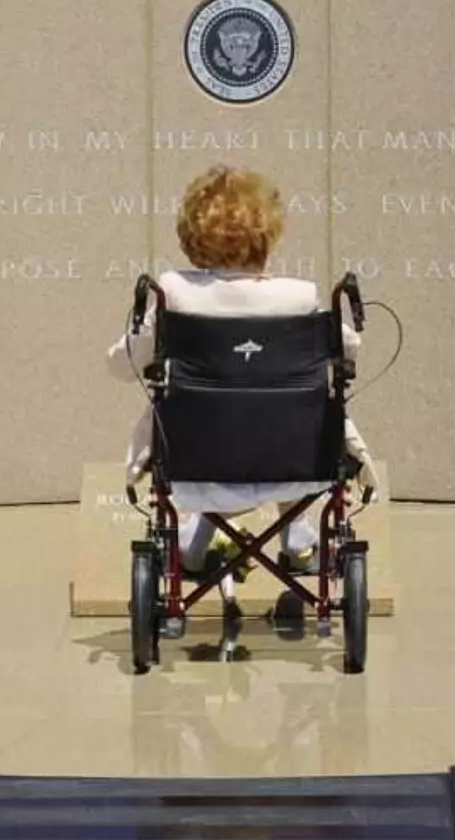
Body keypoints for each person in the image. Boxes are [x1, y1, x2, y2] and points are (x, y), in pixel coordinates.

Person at [108, 165, 379, 577]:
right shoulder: (298, 297)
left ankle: (197, 548)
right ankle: (297, 539)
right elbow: (349, 349)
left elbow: (124, 365)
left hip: (194, 461)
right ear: (268, 232)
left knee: (215, 416)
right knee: (294, 408)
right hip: (294, 463)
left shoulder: (173, 293)